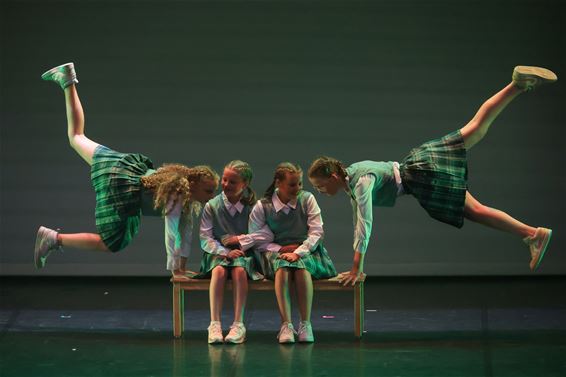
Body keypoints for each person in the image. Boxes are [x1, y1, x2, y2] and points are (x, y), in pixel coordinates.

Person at [307, 65, 557, 286]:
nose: (320, 192)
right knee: (475, 130)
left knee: (476, 209)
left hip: (422, 175)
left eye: (320, 186)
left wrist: (356, 269)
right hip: (421, 161)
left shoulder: (360, 182)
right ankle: (517, 84)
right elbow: (358, 218)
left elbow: (364, 225)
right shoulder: (354, 174)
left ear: (332, 176)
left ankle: (532, 234)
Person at [35, 62, 219, 278]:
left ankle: (68, 81)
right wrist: (175, 269)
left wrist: (182, 267)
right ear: (194, 184)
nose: (211, 197)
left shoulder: (185, 197)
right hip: (119, 189)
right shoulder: (177, 193)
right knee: (111, 243)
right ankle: (54, 239)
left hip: (119, 166)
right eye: (208, 191)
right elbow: (172, 234)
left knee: (77, 137)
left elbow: (185, 234)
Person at [226, 162, 336, 344]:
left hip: (307, 251)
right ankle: (286, 324)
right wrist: (280, 249)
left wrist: (299, 252)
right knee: (283, 266)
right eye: (293, 184)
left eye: (300, 184)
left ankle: (305, 324)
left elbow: (317, 232)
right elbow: (256, 239)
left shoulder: (307, 199)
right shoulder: (263, 206)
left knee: (301, 268)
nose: (298, 188)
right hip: (274, 253)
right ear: (279, 183)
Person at [198, 160, 264, 344]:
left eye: (232, 182)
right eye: (224, 180)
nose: (226, 184)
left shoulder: (253, 207)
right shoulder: (212, 205)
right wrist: (224, 251)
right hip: (217, 254)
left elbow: (260, 234)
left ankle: (238, 324)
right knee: (218, 271)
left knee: (239, 270)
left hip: (244, 254)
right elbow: (205, 237)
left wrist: (240, 242)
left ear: (245, 184)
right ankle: (215, 323)